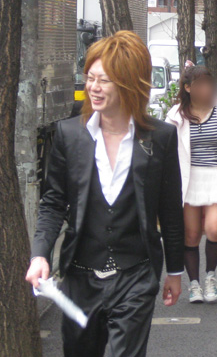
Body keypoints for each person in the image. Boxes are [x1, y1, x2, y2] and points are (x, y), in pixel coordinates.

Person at [26, 31, 184, 357]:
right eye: (90, 78)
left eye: (104, 80)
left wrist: (175, 271)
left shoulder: (160, 138)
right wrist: (40, 254)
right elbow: (53, 202)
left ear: (129, 84)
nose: (93, 87)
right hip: (80, 277)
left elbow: (170, 210)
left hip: (135, 274)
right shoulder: (69, 135)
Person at [166, 65, 217, 303]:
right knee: (190, 235)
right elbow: (168, 154)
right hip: (188, 181)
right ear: (188, 88)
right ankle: (194, 284)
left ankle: (210, 277)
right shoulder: (176, 115)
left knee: (214, 229)